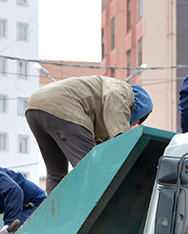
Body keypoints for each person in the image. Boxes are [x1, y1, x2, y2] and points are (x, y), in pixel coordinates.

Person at [25, 75, 153, 194]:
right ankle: (90, 213)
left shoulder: (99, 108)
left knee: (56, 173)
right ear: (136, 108)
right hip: (63, 104)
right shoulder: (122, 89)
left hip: (35, 107)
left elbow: (102, 147)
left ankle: (52, 215)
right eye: (134, 121)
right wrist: (123, 140)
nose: (130, 124)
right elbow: (119, 135)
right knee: (91, 169)